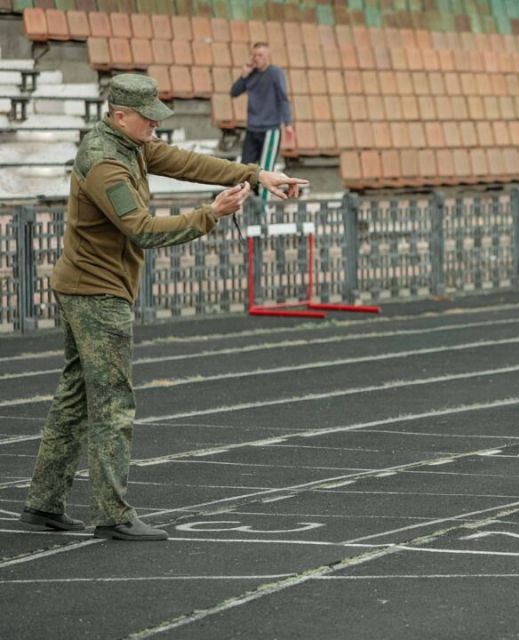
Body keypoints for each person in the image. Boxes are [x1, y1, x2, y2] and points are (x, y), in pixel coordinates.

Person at [19, 74, 308, 541]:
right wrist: (210, 216)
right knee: (112, 403)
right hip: (97, 293)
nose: (156, 125)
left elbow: (185, 160)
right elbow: (143, 229)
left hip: (87, 287)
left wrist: (254, 173)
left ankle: (42, 503)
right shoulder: (105, 163)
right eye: (148, 117)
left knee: (75, 398)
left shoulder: (127, 144)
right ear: (120, 116)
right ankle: (112, 514)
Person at [230, 42, 294, 203]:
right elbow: (234, 92)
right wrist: (243, 76)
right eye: (255, 55)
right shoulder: (250, 74)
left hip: (270, 130)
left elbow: (283, 98)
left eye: (260, 55)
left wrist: (287, 123)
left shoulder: (275, 73)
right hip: (252, 129)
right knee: (245, 169)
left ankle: (263, 208)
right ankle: (242, 204)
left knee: (266, 170)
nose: (257, 59)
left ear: (268, 57)